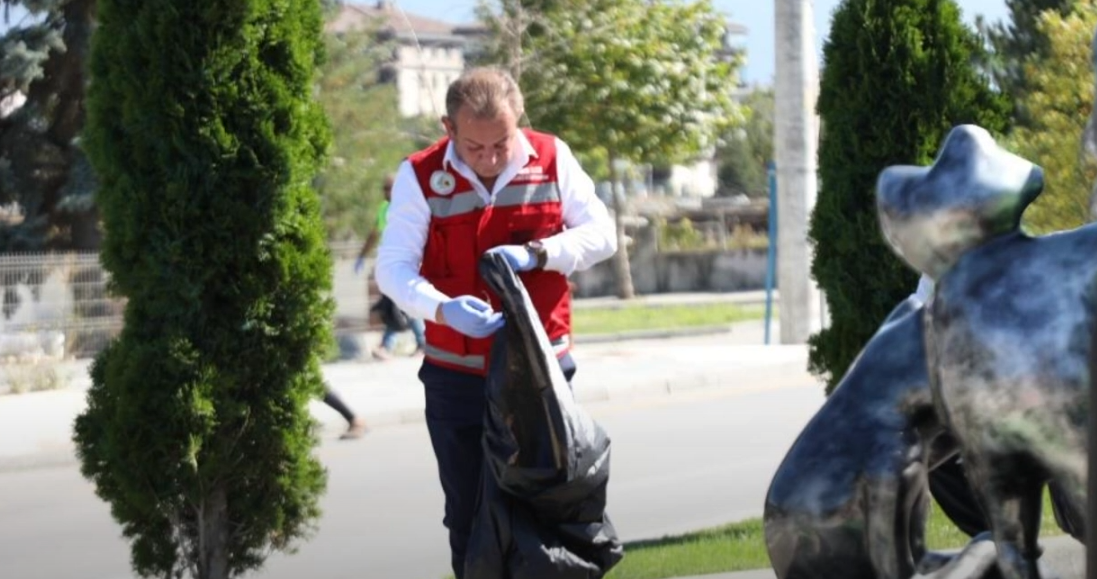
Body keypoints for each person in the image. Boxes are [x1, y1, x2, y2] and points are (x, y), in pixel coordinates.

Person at [375, 66, 617, 578]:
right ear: (448, 128)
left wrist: (538, 253)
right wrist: (443, 308)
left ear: (519, 120)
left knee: (550, 510)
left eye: (501, 145)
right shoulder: (419, 176)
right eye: (473, 147)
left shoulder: (552, 158)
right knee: (467, 515)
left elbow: (602, 235)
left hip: (542, 376)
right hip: (455, 378)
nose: (487, 160)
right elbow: (392, 269)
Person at [355, 175, 426, 360]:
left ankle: (395, 345)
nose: (386, 192)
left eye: (389, 188)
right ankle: (401, 344)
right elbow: (375, 233)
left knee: (399, 303)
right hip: (390, 264)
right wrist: (362, 255)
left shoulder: (408, 207)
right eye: (384, 189)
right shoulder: (384, 209)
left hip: (407, 263)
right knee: (395, 304)